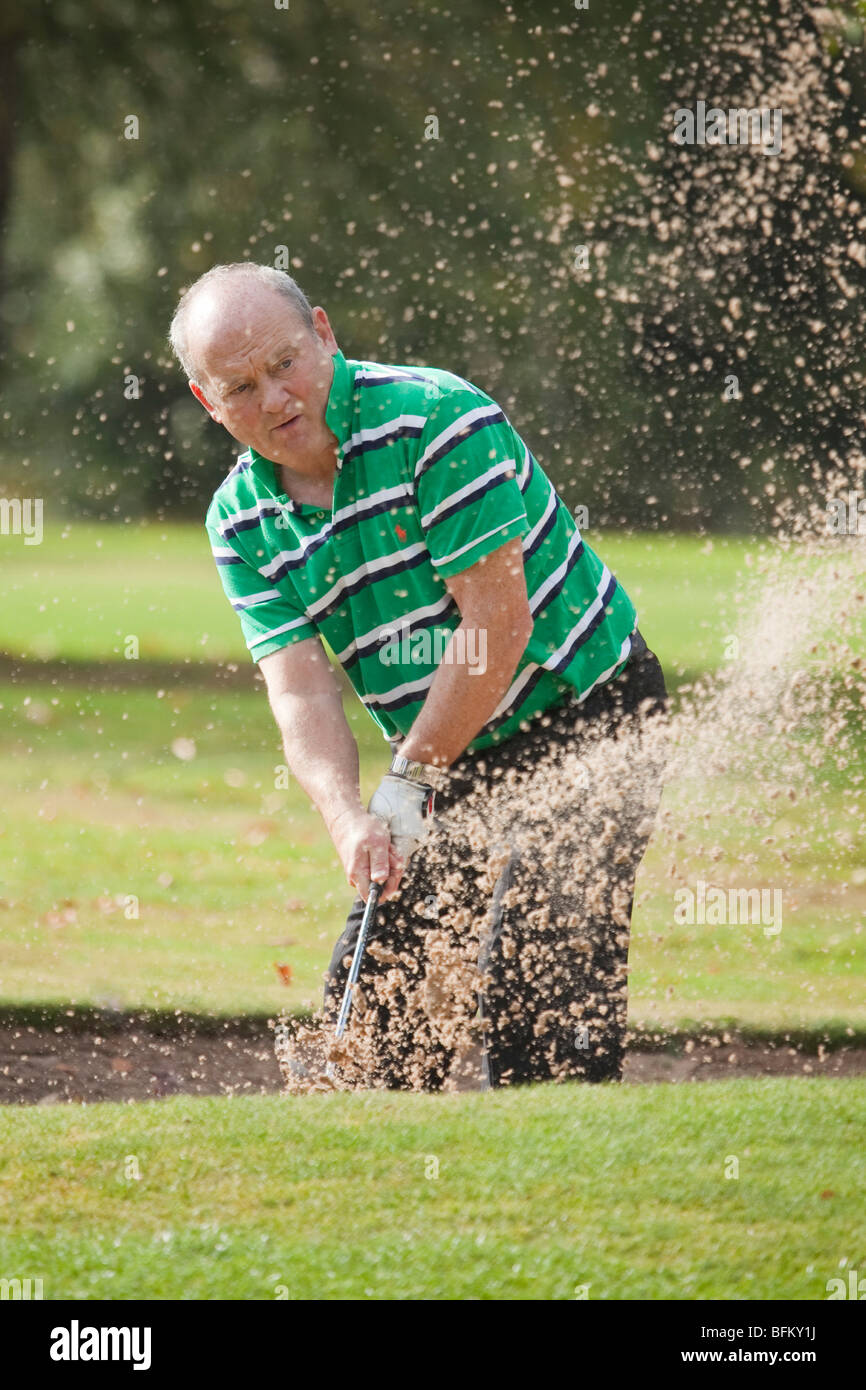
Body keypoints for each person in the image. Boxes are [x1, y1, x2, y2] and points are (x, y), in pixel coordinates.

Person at [169, 262, 669, 1090]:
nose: (276, 399)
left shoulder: (434, 418)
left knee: (535, 983)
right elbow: (300, 689)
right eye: (241, 387)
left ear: (324, 334)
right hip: (446, 741)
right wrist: (347, 818)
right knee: (379, 1018)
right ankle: (380, 1199)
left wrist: (413, 773)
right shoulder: (239, 521)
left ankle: (563, 1190)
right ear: (205, 401)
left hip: (587, 706)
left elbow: (496, 628)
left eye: (286, 363)